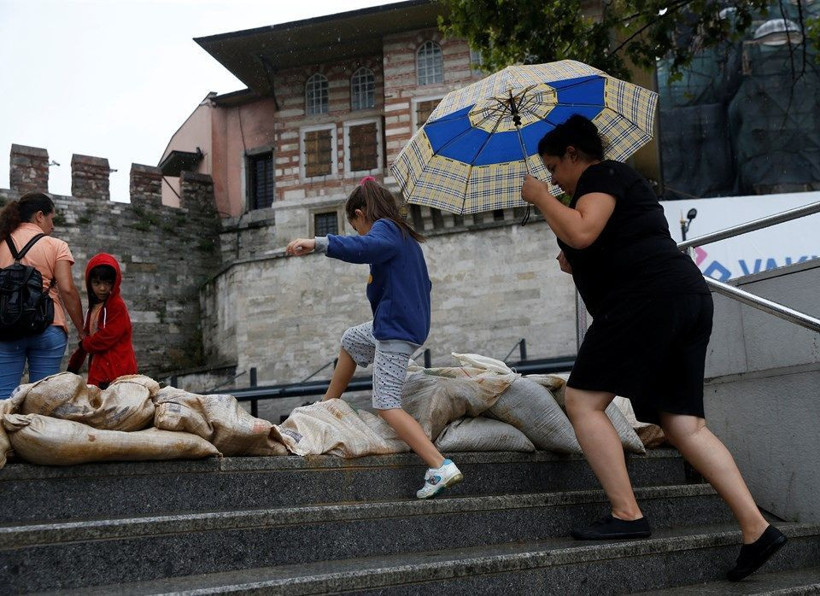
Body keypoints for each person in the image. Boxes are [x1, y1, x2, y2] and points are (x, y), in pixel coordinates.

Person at [520, 114, 786, 581]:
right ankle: (756, 528)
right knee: (684, 424)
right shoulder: (613, 192)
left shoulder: (604, 174)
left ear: (573, 156)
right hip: (683, 296)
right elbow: (586, 245)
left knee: (582, 400)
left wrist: (541, 199)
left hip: (647, 299)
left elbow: (583, 232)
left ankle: (626, 514)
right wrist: (572, 255)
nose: (551, 179)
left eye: (553, 168)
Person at [286, 176, 463, 499]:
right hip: (397, 324)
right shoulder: (403, 236)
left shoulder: (385, 231)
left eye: (355, 225)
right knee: (352, 339)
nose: (358, 231)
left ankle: (440, 465)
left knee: (385, 403)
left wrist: (318, 243)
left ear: (361, 213)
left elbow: (365, 247)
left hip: (396, 329)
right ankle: (329, 405)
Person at [0, 192, 85, 399]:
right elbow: (67, 290)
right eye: (51, 218)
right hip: (48, 325)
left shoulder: (1, 242)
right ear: (40, 216)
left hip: (6, 328)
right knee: (43, 401)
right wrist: (82, 331)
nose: (53, 225)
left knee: (3, 401)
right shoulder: (56, 246)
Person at [67, 253, 137, 389]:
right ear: (89, 283)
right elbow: (85, 341)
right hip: (100, 370)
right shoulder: (94, 308)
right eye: (97, 283)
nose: (102, 288)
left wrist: (85, 343)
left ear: (115, 282)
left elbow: (106, 337)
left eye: (107, 283)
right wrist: (73, 367)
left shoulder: (117, 306)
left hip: (117, 371)